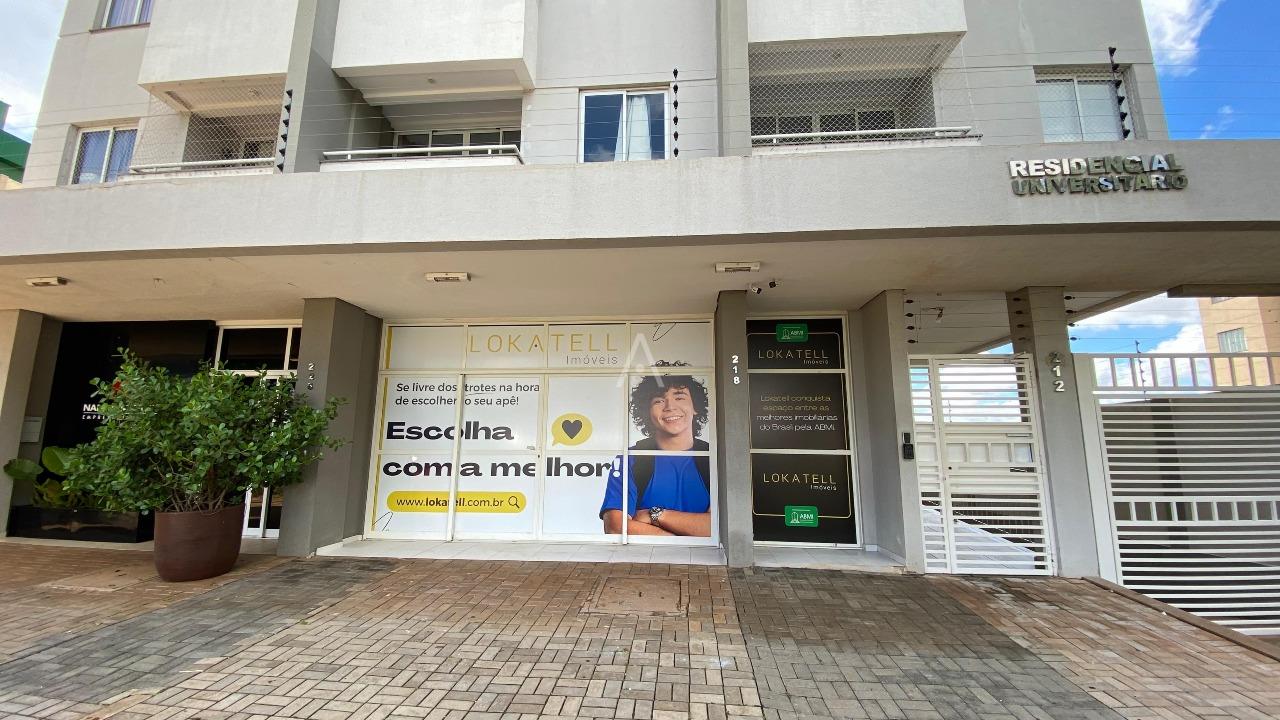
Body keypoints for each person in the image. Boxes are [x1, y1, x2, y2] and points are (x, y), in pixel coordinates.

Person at [600, 374, 711, 536]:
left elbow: (718, 527)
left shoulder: (715, 459)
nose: (670, 407)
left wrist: (655, 515)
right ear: (647, 411)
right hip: (645, 559)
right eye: (658, 401)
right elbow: (615, 527)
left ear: (695, 407)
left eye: (679, 397)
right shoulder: (630, 459)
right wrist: (684, 537)